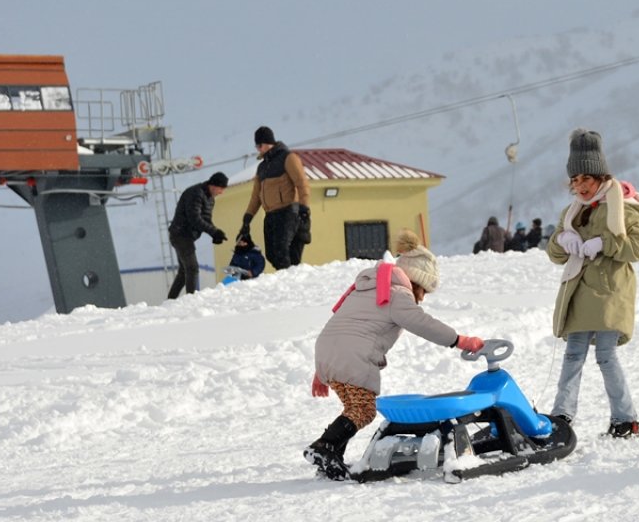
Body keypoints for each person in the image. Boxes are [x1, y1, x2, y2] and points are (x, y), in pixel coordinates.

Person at [305, 229, 486, 480]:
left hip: (328, 351)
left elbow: (343, 328)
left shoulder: (367, 288)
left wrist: (321, 370)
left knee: (353, 408)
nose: (421, 299)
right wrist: (459, 340)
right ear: (414, 280)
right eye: (423, 291)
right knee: (364, 410)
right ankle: (324, 447)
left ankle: (331, 455)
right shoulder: (397, 294)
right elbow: (422, 323)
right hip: (352, 355)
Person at [546, 129, 639, 439]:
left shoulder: (623, 207)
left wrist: (604, 244)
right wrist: (563, 239)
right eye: (574, 182)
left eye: (585, 180)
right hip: (578, 293)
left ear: (599, 177)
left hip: (609, 293)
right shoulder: (572, 212)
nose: (579, 187)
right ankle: (562, 416)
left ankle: (625, 419)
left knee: (606, 356)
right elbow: (554, 254)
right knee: (573, 355)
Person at [239, 126, 311, 270]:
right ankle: (291, 276)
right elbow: (256, 197)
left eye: (259, 145)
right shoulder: (262, 167)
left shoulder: (288, 158)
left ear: (267, 143)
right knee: (272, 254)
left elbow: (302, 183)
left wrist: (304, 208)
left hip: (288, 212)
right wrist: (247, 218)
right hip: (270, 215)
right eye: (256, 146)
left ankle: (289, 281)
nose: (258, 149)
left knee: (281, 251)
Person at [166, 172, 229, 300]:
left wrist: (215, 233)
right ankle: (192, 300)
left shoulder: (210, 198)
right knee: (192, 268)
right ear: (213, 185)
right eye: (221, 189)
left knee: (184, 272)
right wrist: (213, 232)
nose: (221, 192)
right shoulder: (195, 193)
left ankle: (170, 300)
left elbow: (206, 219)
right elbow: (194, 218)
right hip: (180, 234)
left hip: (185, 235)